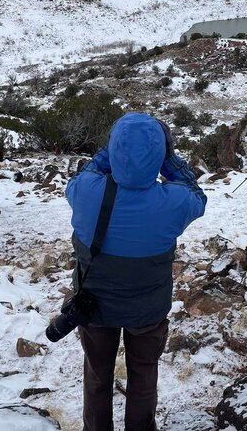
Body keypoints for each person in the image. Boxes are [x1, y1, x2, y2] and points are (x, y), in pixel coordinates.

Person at [65, 112, 206, 431]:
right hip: (147, 312)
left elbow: (86, 173)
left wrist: (112, 152)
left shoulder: (86, 192)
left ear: (114, 150)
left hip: (94, 308)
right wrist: (167, 160)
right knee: (144, 378)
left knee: (97, 377)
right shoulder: (174, 202)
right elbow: (197, 194)